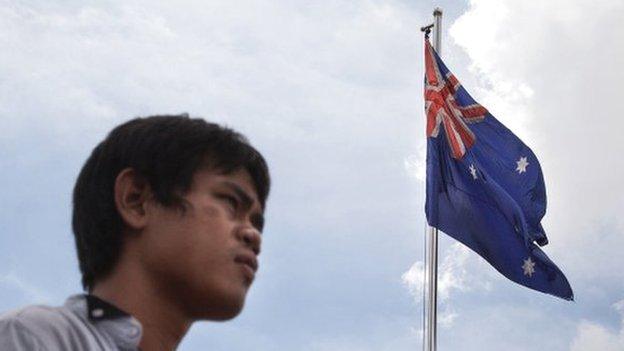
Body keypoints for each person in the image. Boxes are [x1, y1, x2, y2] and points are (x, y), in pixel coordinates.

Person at [0, 114, 270, 350]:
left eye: (257, 222)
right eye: (231, 203)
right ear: (136, 200)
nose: (253, 235)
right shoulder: (37, 337)